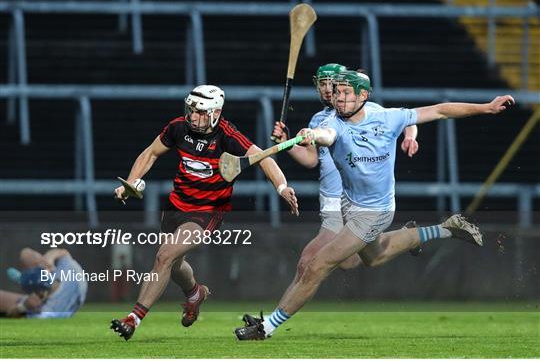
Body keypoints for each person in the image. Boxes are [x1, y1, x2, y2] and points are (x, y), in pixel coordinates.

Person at [235, 70, 514, 340]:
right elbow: (327, 136)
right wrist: (312, 135)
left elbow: (440, 110)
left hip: (374, 212)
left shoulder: (387, 117)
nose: (339, 98)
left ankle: (266, 327)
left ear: (364, 95)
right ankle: (446, 229)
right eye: (337, 92)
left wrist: (487, 108)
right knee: (374, 257)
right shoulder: (333, 124)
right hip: (348, 204)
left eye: (346, 93)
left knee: (317, 265)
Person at [110, 84, 299, 341]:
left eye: (200, 113)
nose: (193, 117)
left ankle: (133, 319)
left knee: (164, 256)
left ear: (216, 113)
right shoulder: (178, 127)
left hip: (207, 211)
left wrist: (282, 187)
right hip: (176, 204)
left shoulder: (228, 136)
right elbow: (151, 153)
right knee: (174, 264)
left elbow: (264, 157)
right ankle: (195, 293)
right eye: (191, 111)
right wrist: (131, 183)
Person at [270, 64, 420, 306]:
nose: (328, 89)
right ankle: (410, 236)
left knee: (308, 260)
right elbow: (310, 160)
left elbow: (406, 119)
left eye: (333, 84)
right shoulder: (318, 119)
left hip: (348, 201)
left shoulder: (367, 110)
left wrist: (410, 137)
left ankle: (269, 321)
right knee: (355, 261)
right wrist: (287, 143)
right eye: (322, 83)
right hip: (329, 200)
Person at [0, 248, 87, 318]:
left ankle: (21, 279)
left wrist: (24, 306)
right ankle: (21, 278)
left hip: (54, 302)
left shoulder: (48, 309)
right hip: (65, 290)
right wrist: (50, 257)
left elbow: (12, 314)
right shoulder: (71, 272)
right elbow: (63, 252)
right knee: (25, 254)